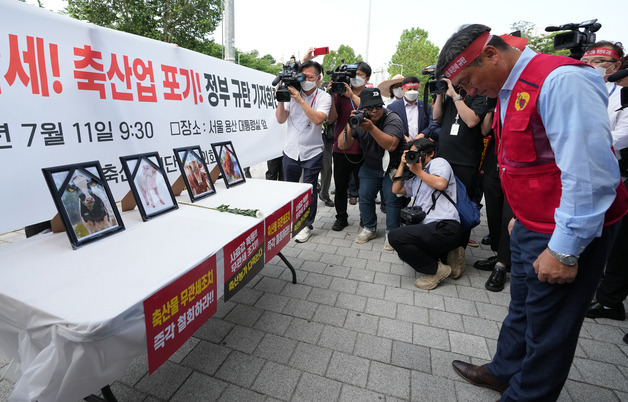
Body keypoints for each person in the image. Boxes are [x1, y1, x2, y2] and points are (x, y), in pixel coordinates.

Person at [436, 24, 628, 401]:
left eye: (468, 79)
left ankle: (528, 395)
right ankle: (504, 371)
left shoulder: (560, 81)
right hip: (529, 223)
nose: (468, 91)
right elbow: (526, 160)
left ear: (492, 54)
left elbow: (590, 175)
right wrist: (519, 215)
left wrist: (564, 250)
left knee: (550, 328)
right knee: (522, 308)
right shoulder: (509, 88)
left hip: (567, 231)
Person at [584, 44, 628, 322]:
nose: (595, 66)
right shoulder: (580, 92)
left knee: (619, 242)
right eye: (589, 60)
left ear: (617, 65)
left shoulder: (622, 96)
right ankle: (603, 294)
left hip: (615, 175)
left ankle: (610, 299)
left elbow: (616, 139)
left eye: (601, 61)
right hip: (585, 174)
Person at [388, 138, 463, 290]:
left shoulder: (439, 163)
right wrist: (402, 165)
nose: (415, 157)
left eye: (417, 153)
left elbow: (441, 184)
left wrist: (418, 170)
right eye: (411, 154)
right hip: (429, 229)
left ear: (430, 154)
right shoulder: (417, 177)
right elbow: (396, 190)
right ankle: (449, 257)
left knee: (395, 236)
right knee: (404, 251)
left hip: (446, 226)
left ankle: (436, 271)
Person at [338, 87, 405, 250]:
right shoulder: (359, 120)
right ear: (362, 109)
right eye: (370, 108)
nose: (375, 110)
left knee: (392, 200)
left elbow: (391, 144)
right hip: (371, 165)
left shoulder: (392, 118)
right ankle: (369, 228)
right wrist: (350, 124)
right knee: (365, 196)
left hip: (393, 166)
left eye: (378, 106)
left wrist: (372, 128)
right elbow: (342, 145)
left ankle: (392, 233)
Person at [275, 59, 332, 243]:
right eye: (304, 76)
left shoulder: (324, 97)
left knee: (309, 190)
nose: (307, 79)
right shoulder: (291, 92)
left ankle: (306, 225)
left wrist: (299, 100)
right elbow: (281, 120)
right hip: (291, 150)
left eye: (311, 76)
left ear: (318, 78)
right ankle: (290, 221)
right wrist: (281, 100)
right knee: (289, 188)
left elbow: (318, 120)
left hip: (313, 151)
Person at [431, 74, 489, 250]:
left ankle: (459, 248)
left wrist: (456, 97)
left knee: (462, 205)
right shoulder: (451, 94)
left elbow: (472, 121)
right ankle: (441, 243)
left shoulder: (478, 93)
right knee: (441, 202)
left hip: (466, 160)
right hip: (443, 157)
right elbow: (436, 118)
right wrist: (440, 93)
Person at [327, 62, 372, 231]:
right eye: (353, 74)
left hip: (364, 148)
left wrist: (351, 94)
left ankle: (365, 217)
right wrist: (332, 96)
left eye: (360, 74)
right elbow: (331, 118)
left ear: (367, 78)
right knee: (340, 186)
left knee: (365, 188)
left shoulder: (369, 93)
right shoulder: (339, 95)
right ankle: (341, 217)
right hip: (342, 147)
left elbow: (370, 109)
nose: (355, 77)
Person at [474, 103, 512, 292]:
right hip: (493, 162)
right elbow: (485, 130)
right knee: (494, 213)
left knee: (508, 216)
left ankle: (502, 265)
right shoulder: (497, 99)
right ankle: (499, 254)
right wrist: (490, 107)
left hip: (515, 165)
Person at [387, 76, 432, 144]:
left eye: (415, 89)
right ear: (403, 90)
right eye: (409, 89)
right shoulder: (392, 107)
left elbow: (432, 123)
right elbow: (390, 126)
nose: (412, 91)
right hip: (401, 145)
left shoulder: (425, 106)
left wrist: (423, 134)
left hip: (421, 145)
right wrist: (402, 136)